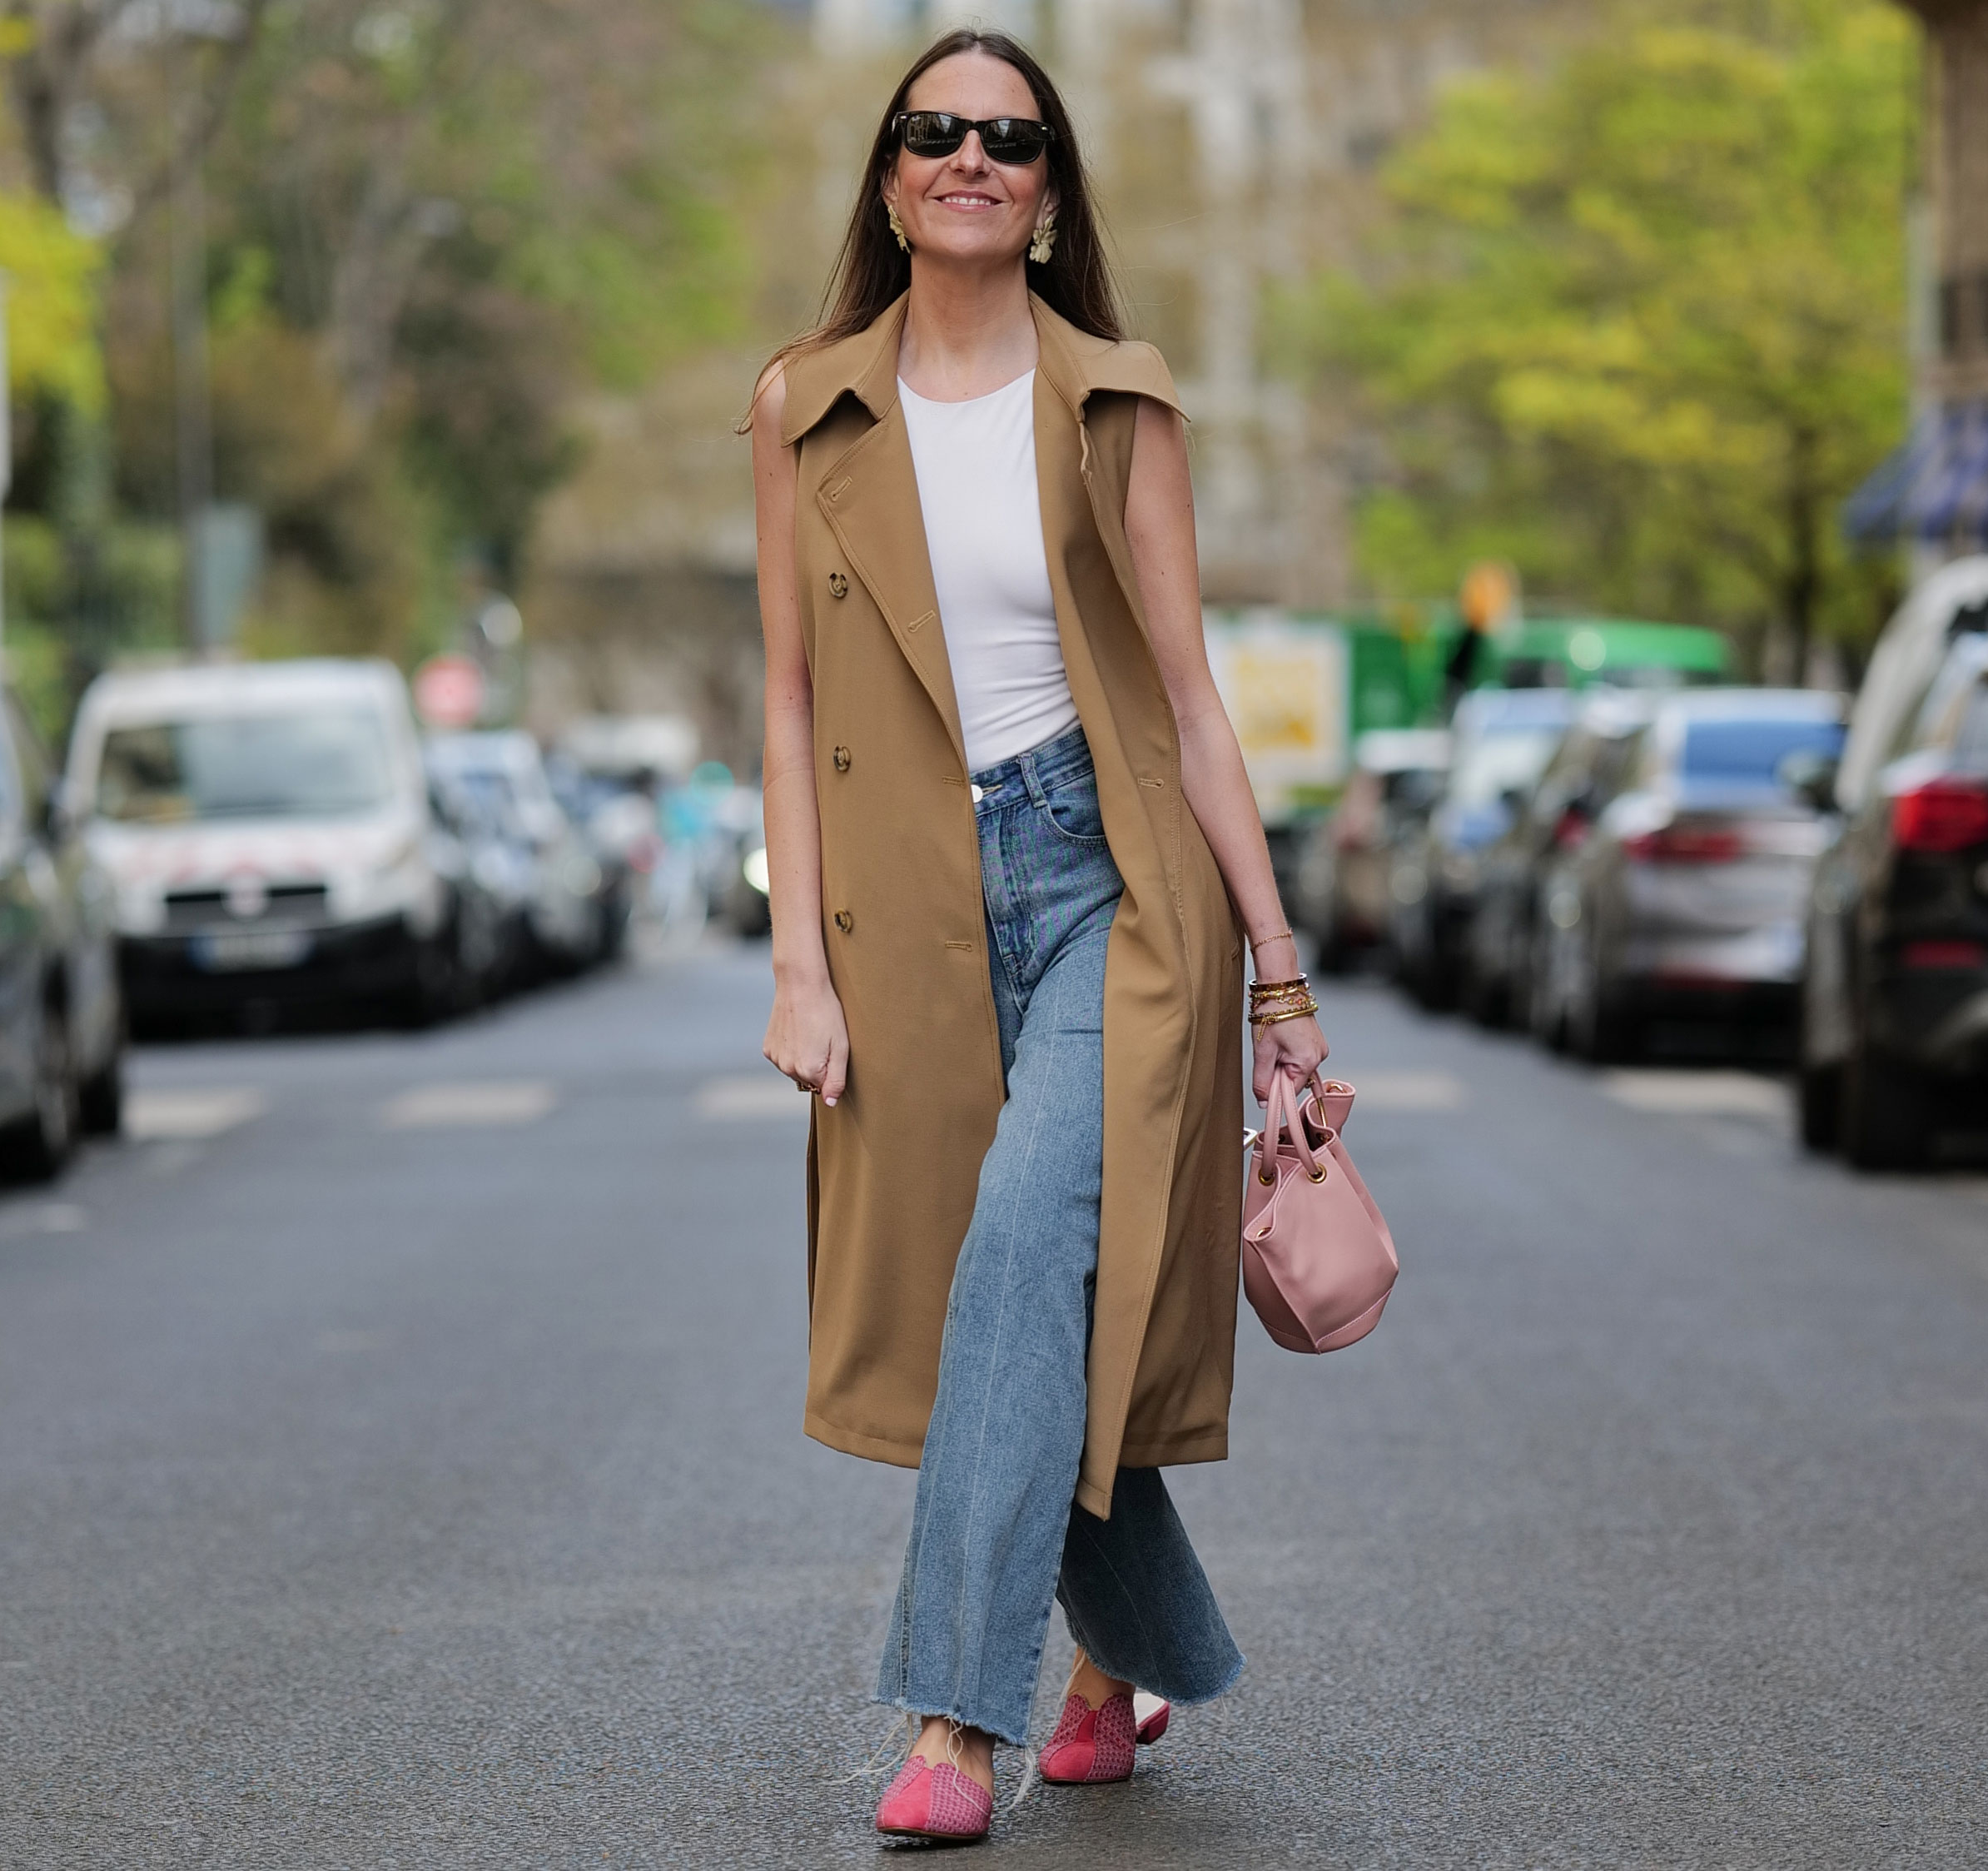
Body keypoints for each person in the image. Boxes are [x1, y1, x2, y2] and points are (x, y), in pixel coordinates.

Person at [744, 27, 1330, 1846]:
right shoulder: (803, 403)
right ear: (890, 175)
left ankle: (950, 1717)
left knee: (1016, 1256)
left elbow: (1190, 700)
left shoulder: (1113, 399)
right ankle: (1128, 1654)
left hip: (1109, 881)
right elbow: (781, 701)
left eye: (1006, 135)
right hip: (903, 905)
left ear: (1050, 188)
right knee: (992, 1301)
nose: (969, 158)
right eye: (935, 131)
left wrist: (1282, 968)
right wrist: (797, 966)